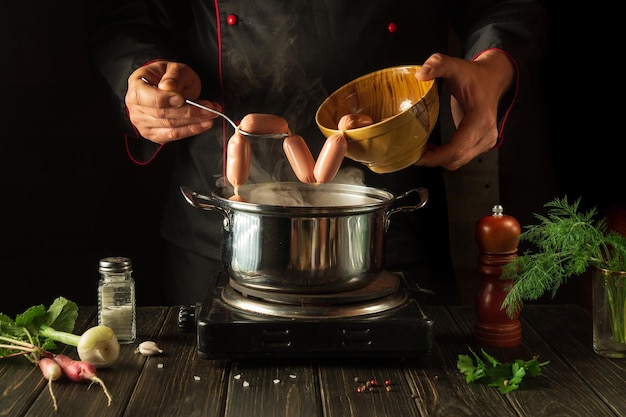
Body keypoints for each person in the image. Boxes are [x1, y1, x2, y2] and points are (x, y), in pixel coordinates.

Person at [85, 1, 547, 306]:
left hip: (391, 218)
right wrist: (141, 74)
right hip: (224, 228)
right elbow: (128, 13)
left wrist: (493, 65)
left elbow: (503, 3)